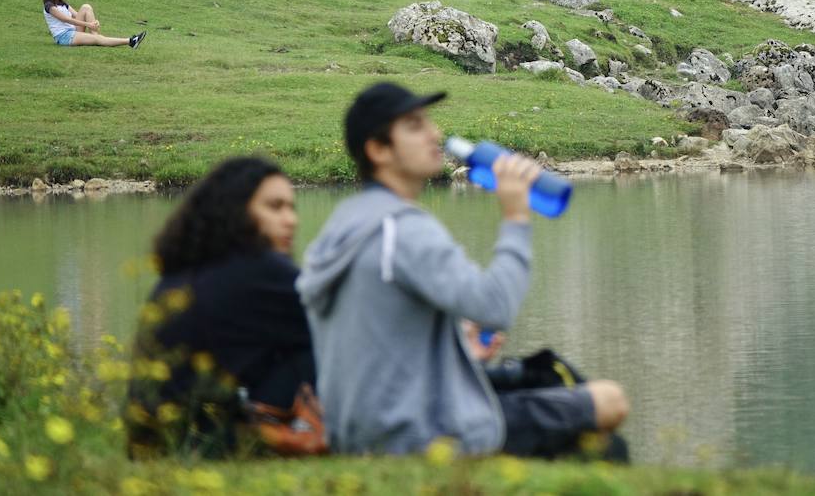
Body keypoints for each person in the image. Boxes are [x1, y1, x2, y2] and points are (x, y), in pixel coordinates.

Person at [297, 82, 631, 459]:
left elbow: (382, 340)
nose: (435, 134)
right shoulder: (402, 228)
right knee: (608, 406)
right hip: (422, 434)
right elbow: (496, 307)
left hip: (361, 434)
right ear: (378, 149)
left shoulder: (342, 227)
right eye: (414, 125)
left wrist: (457, 344)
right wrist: (516, 216)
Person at [125, 158, 316, 458]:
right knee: (319, 348)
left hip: (155, 446)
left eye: (291, 207)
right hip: (207, 445)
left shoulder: (185, 270)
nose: (291, 220)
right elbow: (336, 329)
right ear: (237, 211)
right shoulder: (259, 268)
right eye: (275, 207)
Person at [42, 0, 145, 48]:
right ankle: (131, 41)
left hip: (73, 32)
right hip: (64, 37)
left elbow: (78, 15)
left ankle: (96, 36)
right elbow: (66, 19)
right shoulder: (49, 6)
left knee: (86, 7)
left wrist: (93, 23)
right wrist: (88, 24)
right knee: (96, 39)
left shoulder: (62, 3)